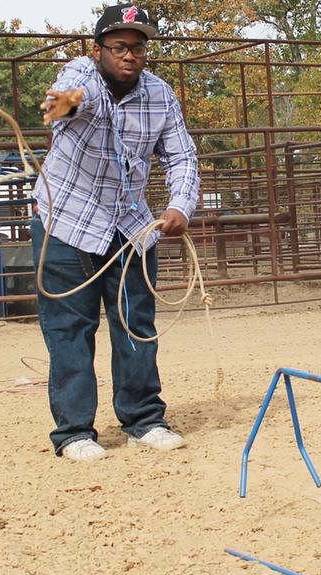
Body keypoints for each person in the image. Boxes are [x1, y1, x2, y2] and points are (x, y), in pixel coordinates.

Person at [33, 4, 200, 461]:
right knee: (69, 328)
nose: (130, 55)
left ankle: (144, 420)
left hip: (130, 226)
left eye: (138, 48)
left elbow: (181, 156)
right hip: (66, 223)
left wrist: (179, 205)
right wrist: (68, 102)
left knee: (136, 325)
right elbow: (58, 103)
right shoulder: (80, 74)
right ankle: (73, 432)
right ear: (98, 50)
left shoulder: (160, 95)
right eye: (120, 47)